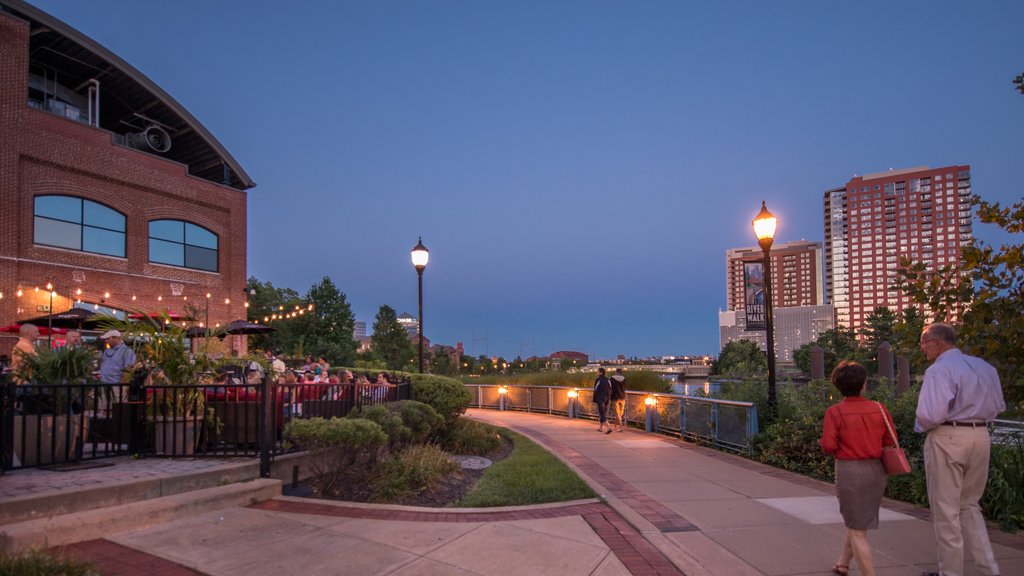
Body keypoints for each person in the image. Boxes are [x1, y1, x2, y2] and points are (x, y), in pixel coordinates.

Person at [916, 323, 1005, 576]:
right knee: (970, 505)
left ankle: (951, 572)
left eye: (924, 343)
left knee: (946, 509)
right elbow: (998, 405)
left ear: (937, 342)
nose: (922, 349)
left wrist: (923, 426)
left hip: (948, 436)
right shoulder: (985, 368)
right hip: (980, 435)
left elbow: (929, 415)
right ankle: (988, 568)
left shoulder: (939, 371)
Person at [819, 361, 895, 576]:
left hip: (850, 471)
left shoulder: (835, 412)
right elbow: (890, 439)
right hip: (876, 471)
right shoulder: (879, 409)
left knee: (856, 528)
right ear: (863, 384)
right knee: (857, 522)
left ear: (838, 386)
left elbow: (829, 445)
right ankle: (843, 563)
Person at [99, 330, 137, 401]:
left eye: (108, 339)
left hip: (117, 386)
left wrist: (121, 386)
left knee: (117, 408)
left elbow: (128, 370)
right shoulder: (107, 351)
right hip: (104, 385)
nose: (106, 341)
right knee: (104, 409)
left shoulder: (127, 351)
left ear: (116, 338)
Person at [593, 367, 612, 434]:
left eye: (597, 371)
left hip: (600, 398)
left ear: (600, 372)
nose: (596, 372)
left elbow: (596, 389)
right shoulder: (608, 380)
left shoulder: (598, 380)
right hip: (607, 398)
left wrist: (595, 398)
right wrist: (609, 398)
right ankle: (600, 428)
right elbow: (610, 389)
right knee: (603, 412)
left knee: (602, 413)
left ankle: (608, 427)